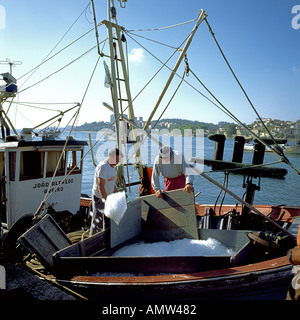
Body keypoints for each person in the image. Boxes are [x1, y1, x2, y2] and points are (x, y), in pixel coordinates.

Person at [89, 147, 123, 235]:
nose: (118, 162)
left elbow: (111, 182)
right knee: (97, 220)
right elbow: (101, 186)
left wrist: (118, 193)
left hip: (109, 197)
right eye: (117, 159)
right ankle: (92, 240)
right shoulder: (103, 167)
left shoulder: (113, 167)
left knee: (108, 220)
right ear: (110, 156)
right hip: (100, 198)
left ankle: (106, 238)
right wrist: (105, 200)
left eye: (119, 159)